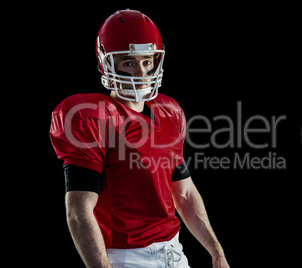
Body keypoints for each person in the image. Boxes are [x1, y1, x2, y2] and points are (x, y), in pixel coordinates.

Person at [50, 9, 230, 268]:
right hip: (124, 258)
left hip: (174, 252)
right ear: (108, 62)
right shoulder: (90, 116)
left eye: (147, 61)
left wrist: (216, 251)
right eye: (129, 62)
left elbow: (185, 193)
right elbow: (79, 212)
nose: (141, 73)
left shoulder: (170, 111)